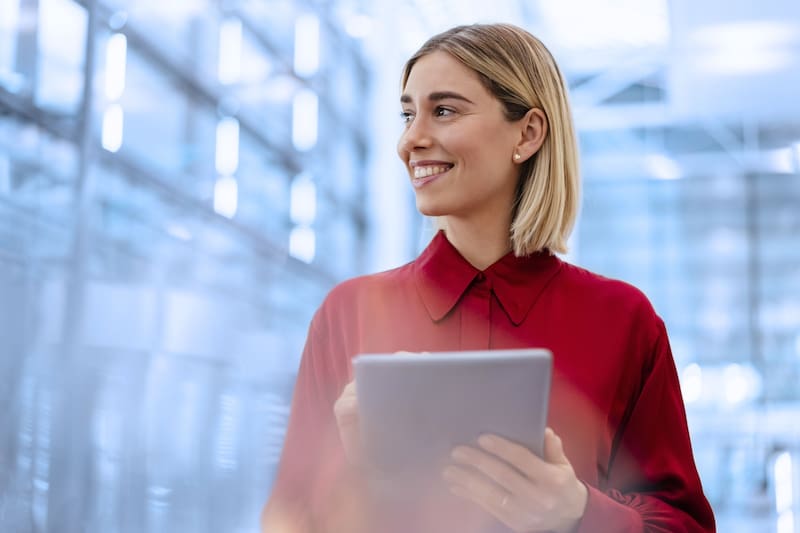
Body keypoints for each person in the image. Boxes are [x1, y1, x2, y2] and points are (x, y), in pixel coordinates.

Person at [261, 23, 716, 533]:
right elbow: (290, 518)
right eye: (408, 114)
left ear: (528, 133)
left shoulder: (622, 320)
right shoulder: (349, 313)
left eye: (444, 110)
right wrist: (345, 471)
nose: (410, 139)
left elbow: (684, 526)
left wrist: (579, 513)